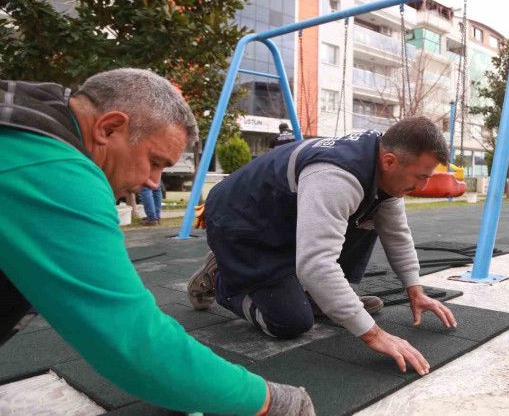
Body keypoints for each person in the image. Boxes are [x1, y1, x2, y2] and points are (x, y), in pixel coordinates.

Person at [0, 69, 313, 415]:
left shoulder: (28, 118)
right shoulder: (51, 166)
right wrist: (268, 401)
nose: (153, 182)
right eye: (154, 162)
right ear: (108, 128)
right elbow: (131, 341)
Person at [188, 117, 458, 376]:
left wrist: (415, 291)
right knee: (289, 322)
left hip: (281, 219)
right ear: (390, 161)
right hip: (240, 222)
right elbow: (316, 265)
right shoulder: (337, 177)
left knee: (369, 218)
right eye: (421, 176)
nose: (422, 185)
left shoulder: (385, 166)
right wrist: (374, 334)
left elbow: (397, 234)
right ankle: (222, 276)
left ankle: (316, 297)